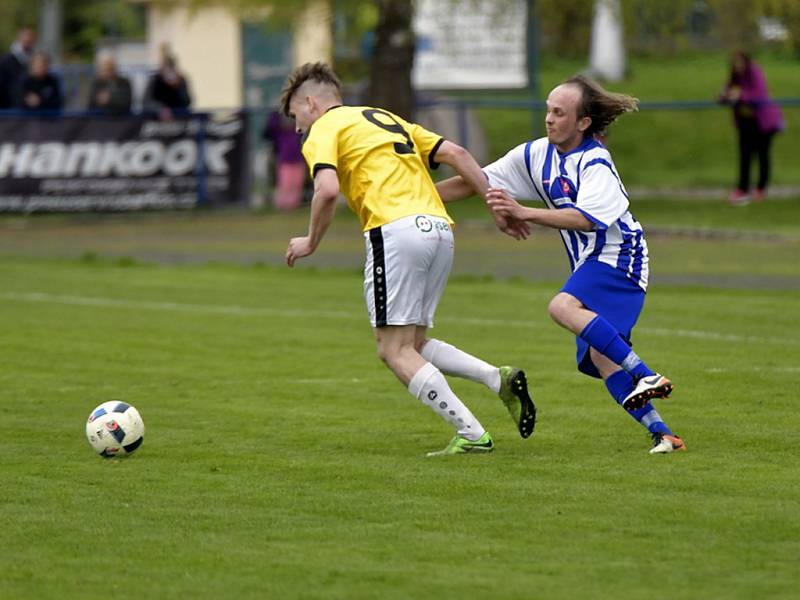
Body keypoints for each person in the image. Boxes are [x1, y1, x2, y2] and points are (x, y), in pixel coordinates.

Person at [281, 62, 536, 456]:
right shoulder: (385, 119)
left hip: (395, 231)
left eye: (297, 117)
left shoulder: (324, 130)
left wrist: (311, 242)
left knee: (391, 349)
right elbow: (457, 153)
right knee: (412, 342)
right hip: (440, 230)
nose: (298, 128)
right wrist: (496, 205)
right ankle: (496, 379)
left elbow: (327, 189)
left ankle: (471, 434)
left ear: (311, 103)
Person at [437, 75, 685, 455]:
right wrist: (413, 199)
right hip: (592, 261)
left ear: (583, 122)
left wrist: (523, 212)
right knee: (603, 359)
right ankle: (666, 435)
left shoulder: (595, 161)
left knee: (561, 307)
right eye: (548, 110)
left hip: (620, 255)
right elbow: (477, 182)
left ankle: (647, 374)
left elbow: (587, 218)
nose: (549, 119)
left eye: (559, 113)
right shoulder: (537, 154)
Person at [719, 52, 784, 205]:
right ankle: (742, 190)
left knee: (762, 154)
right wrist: (724, 96)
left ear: (746, 62)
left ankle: (761, 188)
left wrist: (740, 95)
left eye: (740, 62)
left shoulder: (755, 71)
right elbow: (726, 92)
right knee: (745, 155)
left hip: (763, 121)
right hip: (745, 122)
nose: (737, 66)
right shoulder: (735, 77)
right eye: (735, 63)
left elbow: (760, 93)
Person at [262, 109, 306, 211]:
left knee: (297, 184)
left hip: (298, 159)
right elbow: (269, 129)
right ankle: (282, 205)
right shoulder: (280, 132)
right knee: (285, 183)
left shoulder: (298, 132)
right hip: (284, 160)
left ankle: (293, 205)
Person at [145, 51, 191, 120]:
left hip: (178, 118)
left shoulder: (181, 80)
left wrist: (178, 87)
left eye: (171, 67)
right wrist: (160, 109)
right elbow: (146, 102)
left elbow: (187, 101)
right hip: (156, 120)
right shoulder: (155, 80)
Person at [0, 26, 36, 109]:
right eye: (26, 37)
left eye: (30, 37)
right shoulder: (6, 60)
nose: (28, 40)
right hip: (9, 108)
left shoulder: (35, 60)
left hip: (27, 108)